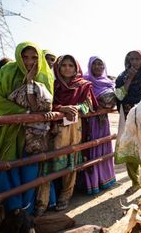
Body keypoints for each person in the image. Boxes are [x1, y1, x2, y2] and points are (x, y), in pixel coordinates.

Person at [0, 42, 54, 215]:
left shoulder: (45, 75)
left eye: (34, 57)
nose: (29, 62)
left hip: (33, 134)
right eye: (25, 57)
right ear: (18, 56)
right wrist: (23, 112)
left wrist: (30, 82)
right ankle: (13, 213)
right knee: (7, 169)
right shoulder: (7, 72)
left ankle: (26, 214)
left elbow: (45, 106)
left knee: (29, 172)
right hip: (7, 131)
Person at [36, 55, 98, 214]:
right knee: (48, 162)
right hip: (53, 129)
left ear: (76, 67)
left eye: (71, 65)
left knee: (70, 160)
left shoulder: (84, 86)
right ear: (58, 67)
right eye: (63, 65)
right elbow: (45, 104)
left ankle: (66, 195)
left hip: (74, 129)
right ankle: (42, 202)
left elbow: (89, 106)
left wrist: (75, 108)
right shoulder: (52, 84)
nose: (67, 68)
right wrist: (61, 108)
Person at [115, 50, 141, 195]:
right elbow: (119, 95)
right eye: (131, 59)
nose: (134, 62)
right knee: (129, 147)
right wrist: (128, 80)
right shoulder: (122, 77)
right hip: (127, 117)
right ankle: (135, 182)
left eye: (137, 59)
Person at [82, 56, 116, 195]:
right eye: (94, 64)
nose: (97, 67)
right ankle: (93, 182)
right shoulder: (85, 80)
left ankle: (105, 179)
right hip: (90, 122)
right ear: (90, 66)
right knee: (91, 149)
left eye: (100, 64)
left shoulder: (109, 83)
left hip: (103, 122)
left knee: (104, 148)